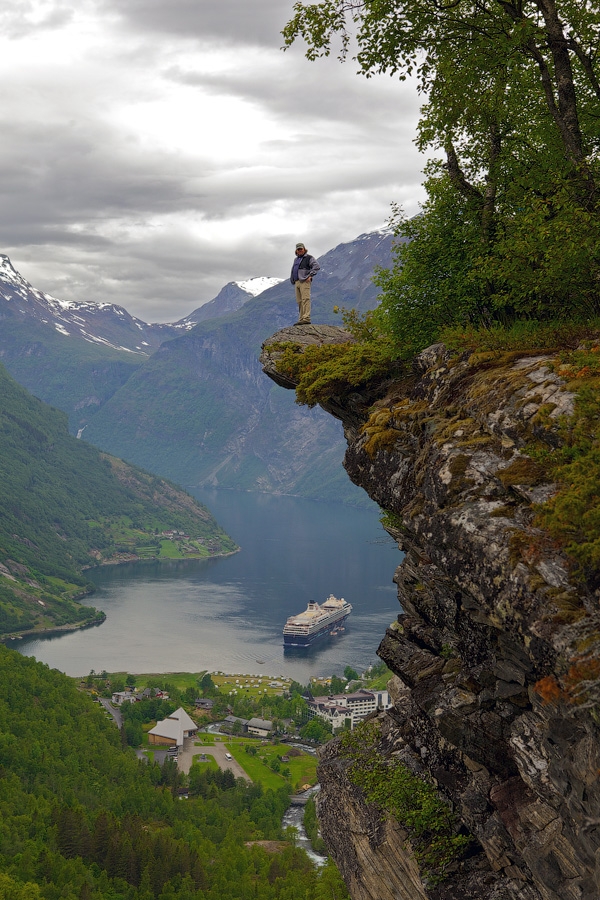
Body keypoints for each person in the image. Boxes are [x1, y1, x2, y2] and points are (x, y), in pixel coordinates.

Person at [290, 242, 320, 325]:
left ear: (304, 249)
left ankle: (306, 318)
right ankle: (301, 318)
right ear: (296, 251)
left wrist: (310, 275)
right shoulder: (296, 260)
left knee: (305, 299)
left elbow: (316, 266)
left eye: (301, 249)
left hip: (304, 281)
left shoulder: (309, 258)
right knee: (299, 301)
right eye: (298, 249)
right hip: (296, 282)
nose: (300, 250)